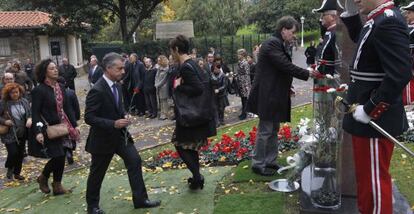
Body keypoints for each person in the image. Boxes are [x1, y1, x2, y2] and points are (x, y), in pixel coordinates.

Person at [341, 0, 412, 213]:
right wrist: (351, 15)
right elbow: (362, 43)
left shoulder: (388, 21)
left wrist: (371, 108)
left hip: (373, 118)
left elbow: (399, 73)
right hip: (364, 111)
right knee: (366, 178)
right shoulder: (378, 18)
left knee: (373, 184)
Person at [84, 52, 160, 214]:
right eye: (119, 69)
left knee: (134, 161)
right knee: (97, 173)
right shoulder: (97, 90)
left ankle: (140, 200)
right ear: (108, 69)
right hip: (102, 140)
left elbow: (117, 107)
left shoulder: (117, 85)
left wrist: (123, 116)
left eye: (123, 68)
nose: (123, 71)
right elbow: (89, 118)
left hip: (120, 137)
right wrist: (113, 123)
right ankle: (92, 207)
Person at [247, 16, 315, 176]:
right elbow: (284, 65)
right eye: (292, 32)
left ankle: (270, 161)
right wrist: (308, 73)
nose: (293, 35)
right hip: (267, 94)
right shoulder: (272, 43)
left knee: (273, 129)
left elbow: (278, 70)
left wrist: (288, 86)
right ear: (283, 30)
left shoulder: (277, 43)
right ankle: (258, 164)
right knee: (265, 130)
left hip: (274, 93)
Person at [170, 35, 216, 190]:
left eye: (172, 51)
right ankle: (196, 179)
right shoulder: (194, 63)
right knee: (190, 147)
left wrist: (178, 86)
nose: (172, 55)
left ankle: (197, 177)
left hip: (190, 115)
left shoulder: (185, 66)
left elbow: (198, 88)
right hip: (198, 114)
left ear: (176, 49)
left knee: (180, 145)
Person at [30, 58, 79, 195]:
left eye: (56, 67)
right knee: (58, 155)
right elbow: (35, 113)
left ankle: (57, 185)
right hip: (48, 129)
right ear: (44, 72)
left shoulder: (61, 87)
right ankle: (43, 177)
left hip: (63, 128)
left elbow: (67, 108)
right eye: (52, 68)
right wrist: (38, 131)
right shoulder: (39, 91)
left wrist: (75, 125)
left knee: (61, 156)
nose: (56, 70)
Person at [0, 83, 31, 180]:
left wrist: (30, 119)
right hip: (9, 133)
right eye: (12, 93)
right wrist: (5, 121)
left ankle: (17, 173)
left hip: (22, 132)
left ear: (20, 92)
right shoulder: (4, 103)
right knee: (13, 152)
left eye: (16, 92)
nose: (15, 94)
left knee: (20, 153)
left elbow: (30, 113)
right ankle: (10, 167)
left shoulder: (24, 101)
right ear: (8, 94)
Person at [313, 0, 342, 75]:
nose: (321, 18)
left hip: (330, 78)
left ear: (333, 17)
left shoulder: (335, 34)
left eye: (323, 15)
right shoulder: (329, 32)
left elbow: (339, 62)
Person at [57, 77, 80, 165]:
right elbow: (76, 105)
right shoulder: (71, 92)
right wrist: (76, 117)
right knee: (72, 134)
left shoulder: (57, 94)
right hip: (70, 117)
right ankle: (70, 149)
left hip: (61, 118)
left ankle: (66, 150)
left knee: (64, 136)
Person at [401, 2, 414, 105]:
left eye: (409, 12)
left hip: (410, 71)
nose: (407, 15)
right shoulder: (408, 28)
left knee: (409, 101)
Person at [211, 62, 229, 126]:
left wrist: (219, 89)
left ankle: (222, 119)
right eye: (214, 69)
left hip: (222, 94)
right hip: (214, 95)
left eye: (216, 69)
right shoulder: (211, 75)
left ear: (219, 68)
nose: (215, 70)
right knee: (216, 108)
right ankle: (217, 121)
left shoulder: (223, 75)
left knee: (221, 108)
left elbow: (224, 85)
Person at [235, 49, 251, 120]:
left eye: (238, 54)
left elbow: (247, 74)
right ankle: (243, 113)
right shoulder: (239, 62)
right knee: (242, 99)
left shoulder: (245, 63)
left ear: (242, 55)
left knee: (245, 99)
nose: (237, 55)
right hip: (240, 83)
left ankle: (244, 114)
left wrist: (247, 85)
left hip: (244, 84)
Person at [155, 55, 170, 120]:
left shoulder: (167, 68)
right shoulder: (159, 68)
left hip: (164, 86)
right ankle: (162, 113)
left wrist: (158, 84)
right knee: (161, 101)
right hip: (158, 86)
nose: (158, 61)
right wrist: (155, 83)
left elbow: (164, 79)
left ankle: (165, 114)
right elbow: (156, 77)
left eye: (159, 60)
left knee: (164, 101)